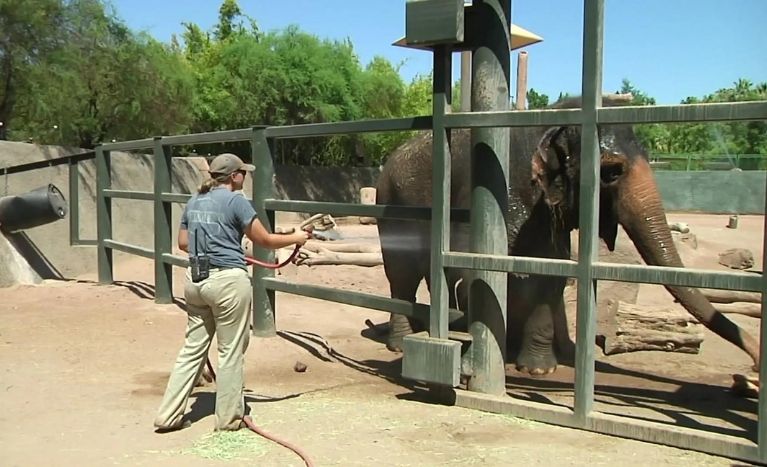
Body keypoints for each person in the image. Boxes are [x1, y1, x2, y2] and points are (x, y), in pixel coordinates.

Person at [154, 153, 309, 432]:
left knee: (192, 350)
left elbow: (182, 243)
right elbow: (264, 240)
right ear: (235, 176)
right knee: (230, 351)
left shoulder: (195, 200)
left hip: (196, 281)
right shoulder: (236, 201)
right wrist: (297, 238)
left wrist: (212, 248)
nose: (245, 178)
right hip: (228, 283)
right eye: (244, 174)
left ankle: (168, 415)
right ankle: (228, 419)